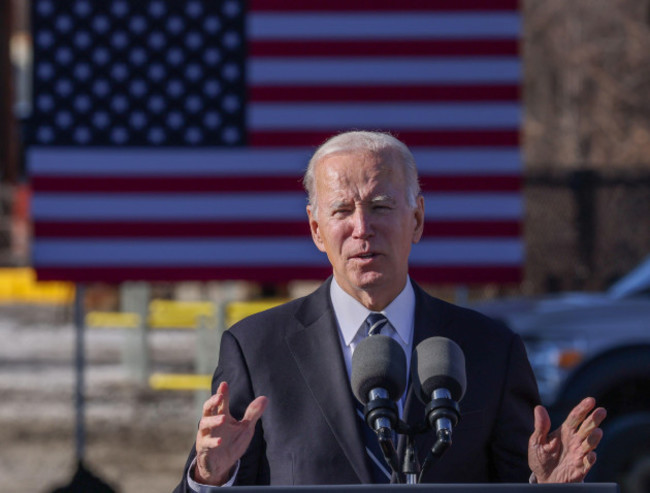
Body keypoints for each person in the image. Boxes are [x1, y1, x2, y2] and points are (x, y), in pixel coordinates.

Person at [174, 131, 606, 491]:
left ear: (417, 218)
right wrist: (212, 476)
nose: (362, 228)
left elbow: (515, 479)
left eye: (380, 206)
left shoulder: (490, 349)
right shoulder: (257, 349)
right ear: (315, 229)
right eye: (342, 210)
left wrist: (547, 489)